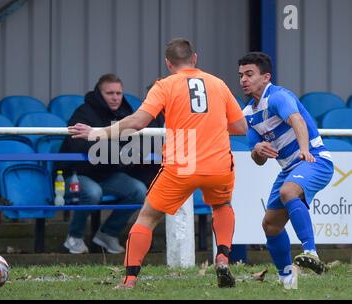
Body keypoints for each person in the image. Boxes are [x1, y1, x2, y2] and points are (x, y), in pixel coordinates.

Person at [69, 38, 247, 288]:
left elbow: (137, 122)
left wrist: (96, 133)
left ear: (168, 63)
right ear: (194, 58)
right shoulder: (218, 84)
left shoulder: (165, 85)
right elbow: (240, 127)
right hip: (219, 162)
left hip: (182, 163)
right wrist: (211, 123)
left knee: (148, 216)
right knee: (221, 205)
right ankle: (223, 257)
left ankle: (129, 279)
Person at [238, 52, 334, 289]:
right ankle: (287, 278)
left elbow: (298, 121)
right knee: (270, 225)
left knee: (288, 192)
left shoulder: (278, 96)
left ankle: (311, 253)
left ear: (266, 77)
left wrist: (304, 150)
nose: (243, 80)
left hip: (315, 160)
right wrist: (257, 150)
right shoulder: (248, 114)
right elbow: (258, 159)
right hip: (290, 168)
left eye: (249, 74)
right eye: (241, 75)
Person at [55, 73, 163, 255]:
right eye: (110, 93)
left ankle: (107, 234)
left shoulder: (126, 114)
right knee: (93, 193)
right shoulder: (83, 113)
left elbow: (133, 145)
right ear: (100, 93)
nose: (115, 97)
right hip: (80, 173)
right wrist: (114, 151)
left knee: (138, 190)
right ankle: (74, 237)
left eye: (118, 93)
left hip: (109, 173)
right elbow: (77, 143)